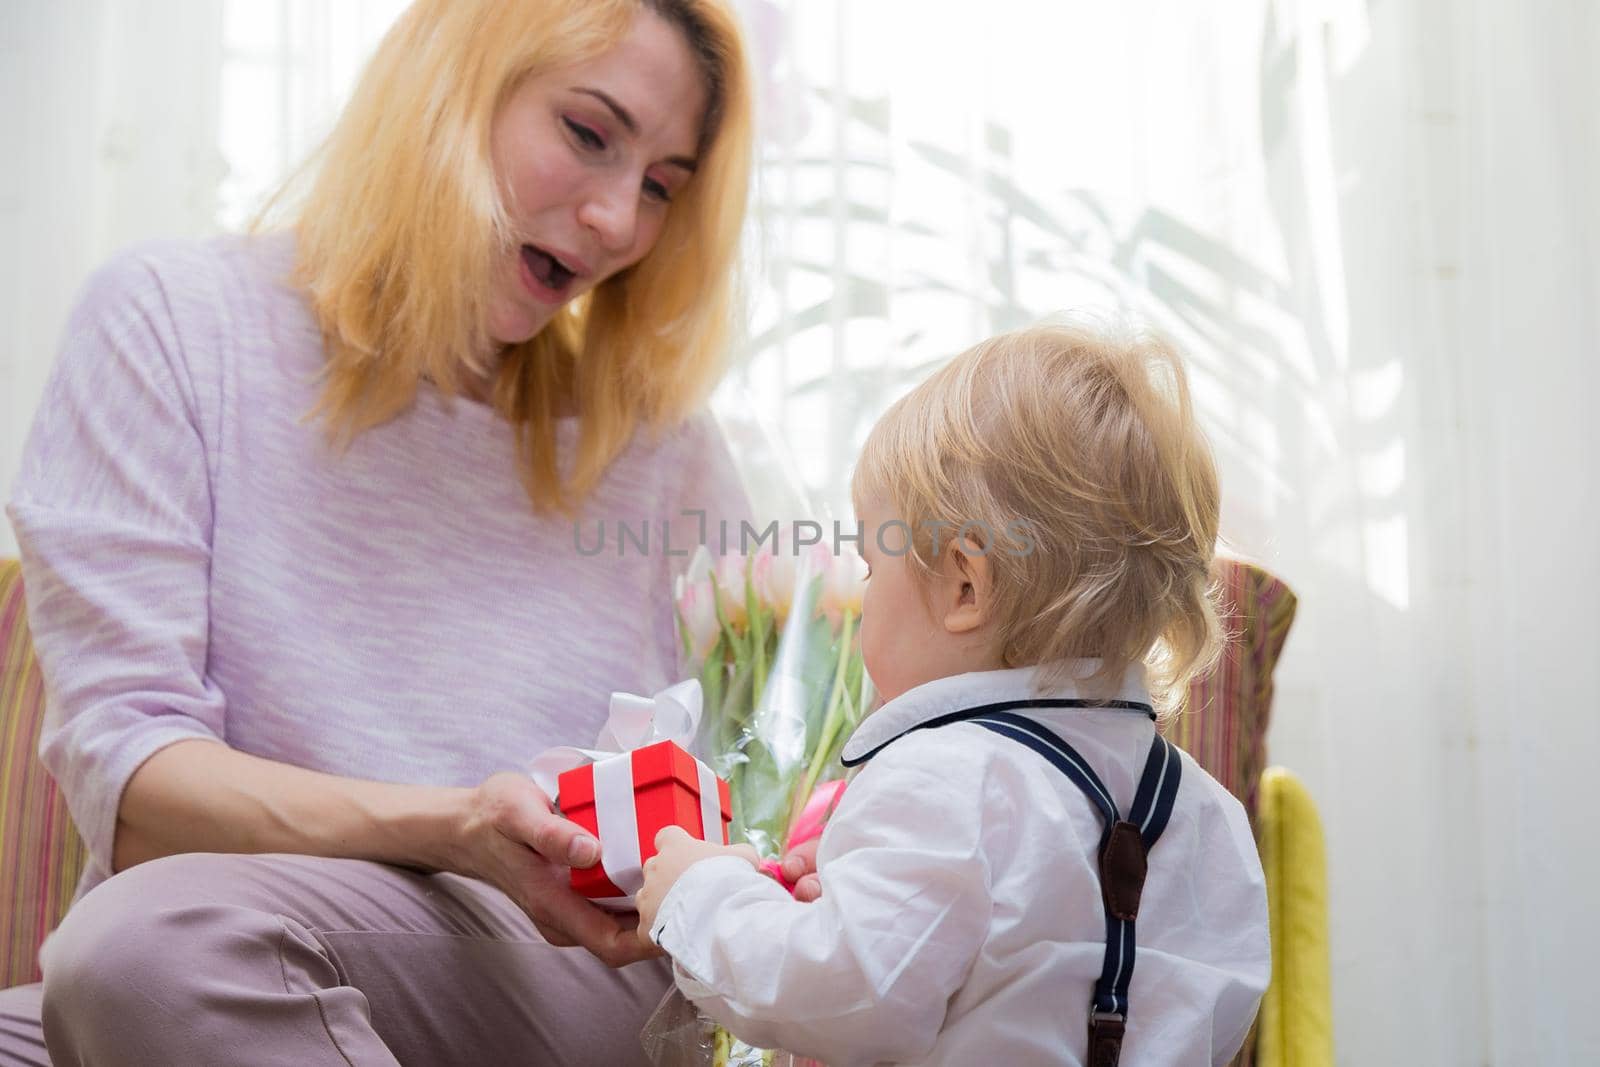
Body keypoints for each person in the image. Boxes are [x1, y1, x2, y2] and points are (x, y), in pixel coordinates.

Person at [0, 1, 756, 1064]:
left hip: (540, 967)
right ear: (448, 85)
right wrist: (454, 825)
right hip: (211, 961)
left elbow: (748, 778)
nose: (619, 222)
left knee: (144, 946)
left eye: (661, 186)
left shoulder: (662, 448)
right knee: (117, 966)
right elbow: (134, 793)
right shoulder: (172, 324)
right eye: (589, 135)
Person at [635, 321, 1272, 1066]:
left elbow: (843, 993)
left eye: (874, 568)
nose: (864, 596)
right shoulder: (1211, 817)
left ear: (967, 585)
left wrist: (697, 895)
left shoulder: (946, 775)